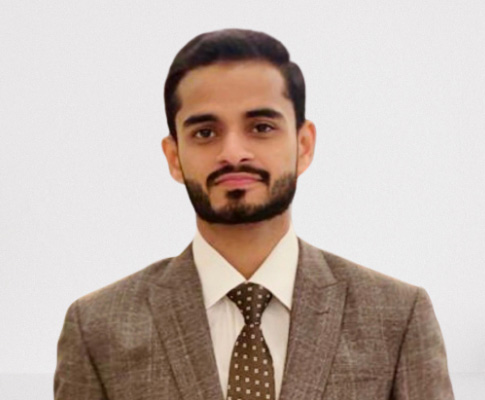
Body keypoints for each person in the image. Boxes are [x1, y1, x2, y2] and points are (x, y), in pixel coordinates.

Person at [54, 28, 454, 400]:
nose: (233, 153)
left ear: (304, 145)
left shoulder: (396, 317)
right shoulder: (98, 329)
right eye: (205, 133)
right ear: (174, 157)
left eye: (261, 127)